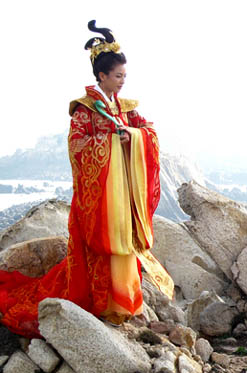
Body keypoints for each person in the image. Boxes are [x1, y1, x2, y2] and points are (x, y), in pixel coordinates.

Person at [0, 20, 173, 338]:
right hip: (100, 196)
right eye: (117, 76)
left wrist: (132, 137)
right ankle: (102, 304)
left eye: (124, 76)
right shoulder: (85, 110)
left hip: (123, 195)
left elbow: (148, 132)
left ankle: (125, 304)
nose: (122, 82)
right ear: (102, 76)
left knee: (124, 246)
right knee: (98, 250)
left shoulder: (125, 108)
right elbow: (76, 146)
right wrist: (110, 142)